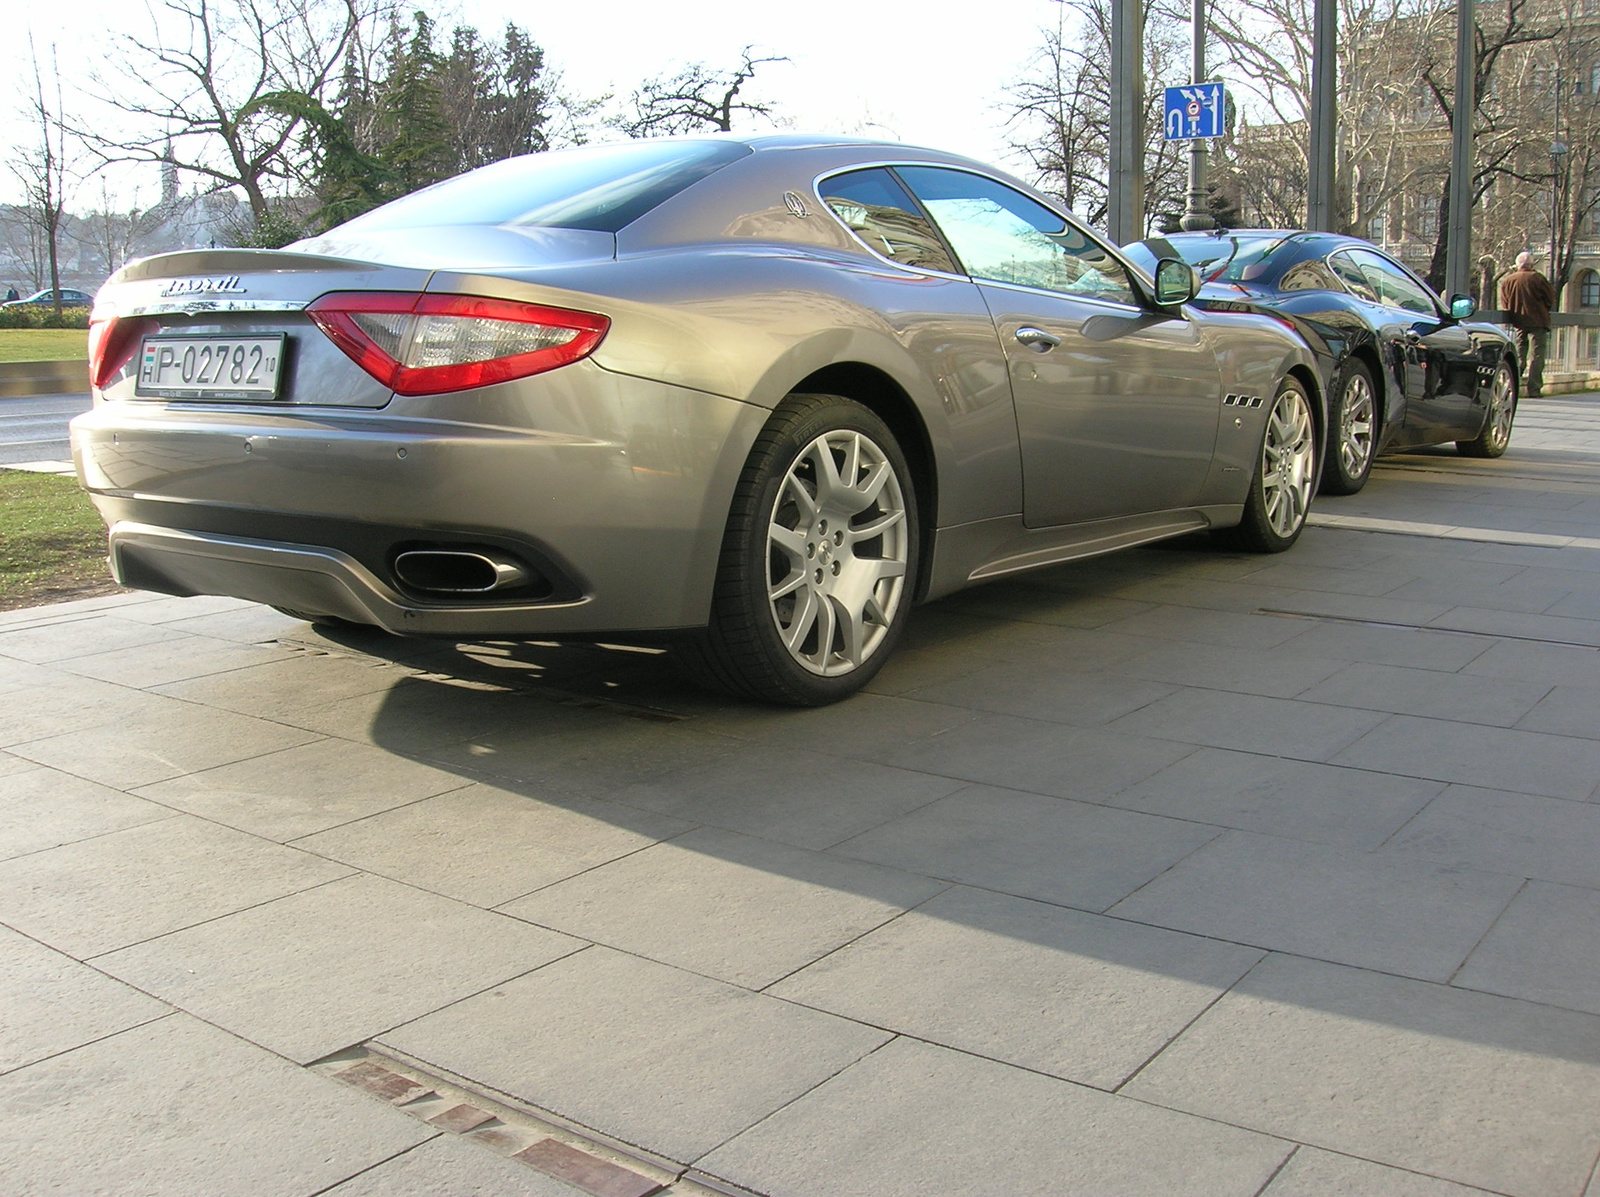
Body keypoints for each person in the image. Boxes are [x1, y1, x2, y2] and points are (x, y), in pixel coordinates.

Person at [1499, 251, 1557, 398]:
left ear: (1517, 265)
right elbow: (1550, 299)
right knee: (1537, 355)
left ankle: (1513, 387)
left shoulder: (1508, 280)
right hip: (1538, 320)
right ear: (1531, 264)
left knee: (1519, 354)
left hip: (1518, 321)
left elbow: (1505, 303)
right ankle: (1534, 389)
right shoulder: (1538, 278)